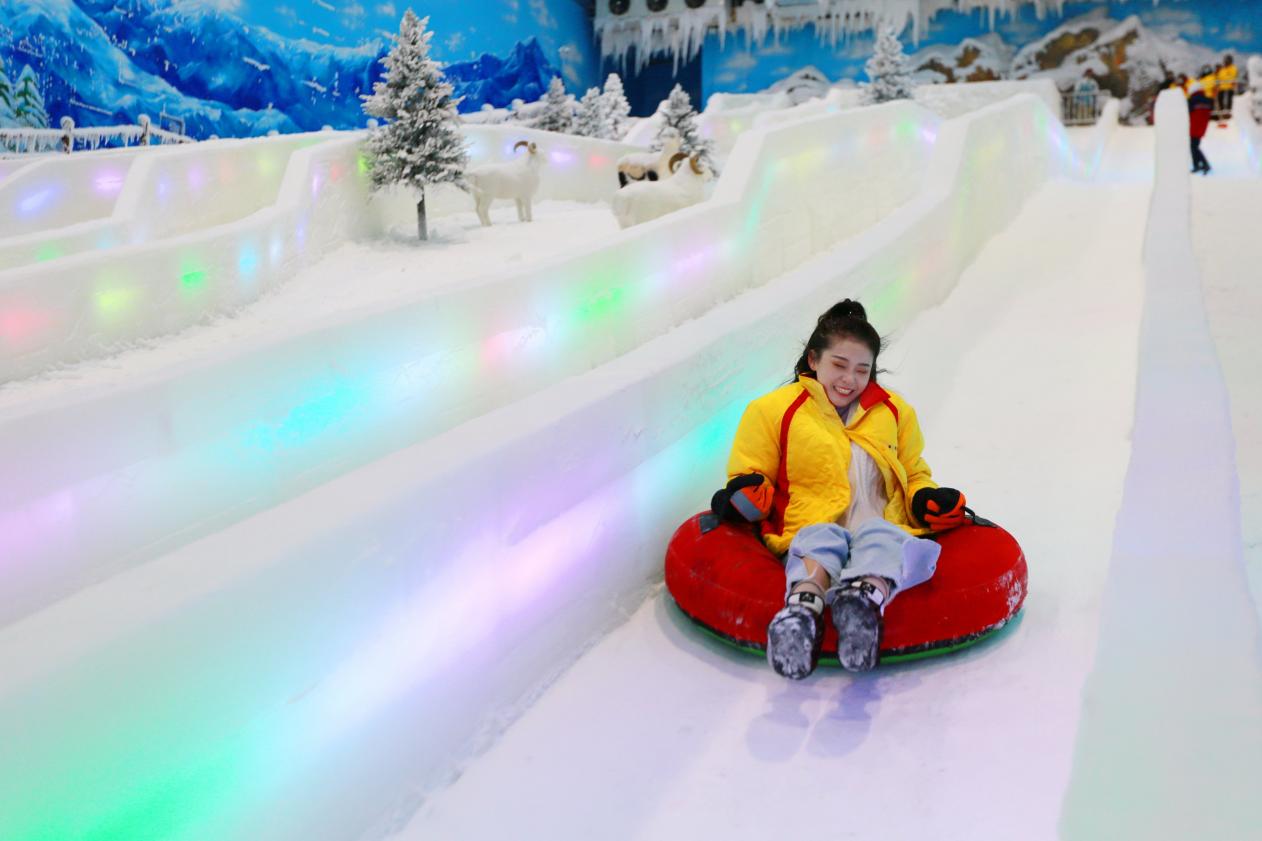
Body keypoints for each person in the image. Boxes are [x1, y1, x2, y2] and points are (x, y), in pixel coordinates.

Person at [709, 300, 967, 678]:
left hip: (879, 523)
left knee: (882, 537)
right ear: (814, 359)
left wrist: (925, 497)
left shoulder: (895, 412)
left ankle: (861, 604)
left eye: (862, 370)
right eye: (839, 365)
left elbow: (913, 473)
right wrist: (743, 494)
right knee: (819, 538)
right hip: (811, 523)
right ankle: (802, 612)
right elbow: (751, 471)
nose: (850, 379)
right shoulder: (774, 410)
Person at [1188, 82, 1214, 175]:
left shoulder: (1191, 100)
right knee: (1195, 146)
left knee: (1193, 147)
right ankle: (1199, 165)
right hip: (1202, 127)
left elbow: (1187, 113)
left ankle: (1203, 165)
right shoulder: (1208, 100)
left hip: (1192, 127)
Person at [1215, 55, 1238, 122]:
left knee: (1229, 100)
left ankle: (1228, 113)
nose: (1225, 62)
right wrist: (1217, 72)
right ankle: (1222, 113)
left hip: (1229, 88)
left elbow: (1231, 77)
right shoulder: (1222, 69)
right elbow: (1218, 77)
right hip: (1221, 88)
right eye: (1225, 61)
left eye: (1227, 61)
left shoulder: (1233, 68)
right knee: (1220, 100)